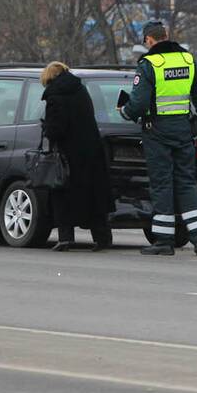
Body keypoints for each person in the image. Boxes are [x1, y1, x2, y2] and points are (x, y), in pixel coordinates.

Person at [121, 21, 197, 256]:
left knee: (162, 183)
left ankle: (163, 240)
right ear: (167, 36)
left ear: (149, 41)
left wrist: (125, 111)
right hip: (184, 130)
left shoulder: (149, 64)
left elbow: (139, 104)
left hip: (157, 133)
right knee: (186, 182)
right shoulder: (189, 61)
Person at [40, 61, 115, 252]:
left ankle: (66, 238)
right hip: (91, 150)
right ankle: (102, 238)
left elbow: (56, 128)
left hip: (67, 155)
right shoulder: (81, 90)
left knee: (62, 195)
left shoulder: (55, 96)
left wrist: (46, 129)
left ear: (49, 78)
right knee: (94, 196)